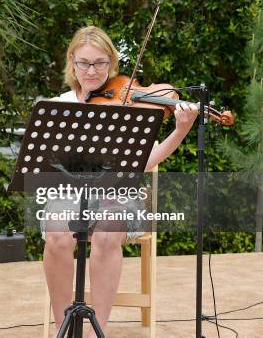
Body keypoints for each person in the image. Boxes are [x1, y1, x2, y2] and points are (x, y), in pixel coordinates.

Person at [43, 26, 198, 337]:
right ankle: (64, 327)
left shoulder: (128, 102)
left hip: (122, 192)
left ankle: (98, 327)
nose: (92, 71)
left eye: (100, 63)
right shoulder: (59, 104)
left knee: (107, 231)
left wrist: (180, 131)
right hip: (71, 191)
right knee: (58, 233)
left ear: (111, 62)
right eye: (85, 62)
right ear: (72, 60)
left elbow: (146, 160)